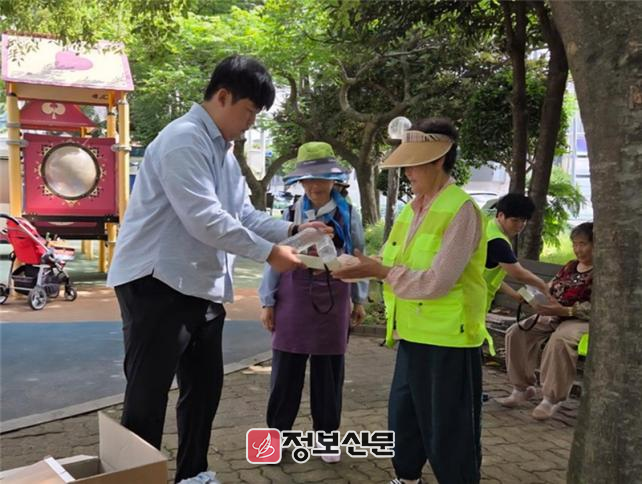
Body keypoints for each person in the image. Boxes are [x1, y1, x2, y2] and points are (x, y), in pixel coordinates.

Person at [107, 55, 328, 483]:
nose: (250, 122)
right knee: (148, 394)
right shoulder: (184, 140)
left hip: (200, 287)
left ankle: (193, 474)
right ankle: (136, 477)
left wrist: (294, 230)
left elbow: (242, 215)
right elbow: (204, 219)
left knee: (205, 389)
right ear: (223, 97)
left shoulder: (224, 155)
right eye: (249, 111)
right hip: (157, 282)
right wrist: (270, 254)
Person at [333, 119, 488, 484]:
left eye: (415, 164)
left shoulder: (461, 210)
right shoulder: (413, 208)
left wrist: (379, 271)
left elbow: (437, 281)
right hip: (412, 333)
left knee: (449, 428)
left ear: (440, 160)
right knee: (405, 417)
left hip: (450, 339)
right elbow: (393, 262)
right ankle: (406, 478)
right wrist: (359, 266)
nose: (407, 173)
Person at [259, 142, 368, 463]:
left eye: (321, 178)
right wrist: (267, 301)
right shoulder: (291, 215)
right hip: (292, 297)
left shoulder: (348, 214)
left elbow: (359, 256)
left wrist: (359, 299)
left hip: (335, 296)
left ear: (334, 180)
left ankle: (327, 440)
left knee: (328, 374)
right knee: (285, 374)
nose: (314, 186)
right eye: (308, 179)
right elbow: (274, 258)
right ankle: (275, 440)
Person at [497, 222, 593, 420]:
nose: (578, 249)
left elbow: (598, 307)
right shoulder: (570, 266)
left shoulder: (604, 272)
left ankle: (551, 398)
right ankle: (522, 388)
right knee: (516, 332)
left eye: (583, 244)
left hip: (579, 318)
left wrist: (567, 310)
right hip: (553, 313)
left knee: (559, 341)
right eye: (575, 244)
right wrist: (535, 296)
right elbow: (551, 286)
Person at [484, 193, 551, 312]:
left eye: (523, 220)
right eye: (514, 220)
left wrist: (515, 295)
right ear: (501, 215)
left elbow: (488, 278)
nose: (520, 225)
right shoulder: (498, 242)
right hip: (468, 304)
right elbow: (519, 274)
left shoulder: (488, 226)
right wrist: (543, 286)